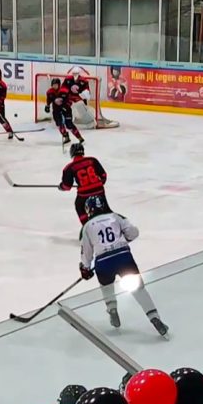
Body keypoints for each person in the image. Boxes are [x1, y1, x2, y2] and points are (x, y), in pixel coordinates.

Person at [79, 195, 168, 336]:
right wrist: (124, 239)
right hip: (123, 257)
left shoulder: (87, 227)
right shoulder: (115, 216)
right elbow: (133, 232)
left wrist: (85, 268)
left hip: (103, 262)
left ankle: (112, 309)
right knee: (138, 289)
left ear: (89, 209)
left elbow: (86, 253)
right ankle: (154, 317)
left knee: (106, 286)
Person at [60, 143, 109, 224]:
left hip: (84, 194)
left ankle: (86, 226)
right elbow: (103, 175)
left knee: (79, 206)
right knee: (105, 207)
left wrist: (61, 186)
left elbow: (67, 186)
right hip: (99, 190)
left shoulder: (69, 167)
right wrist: (98, 184)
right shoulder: (92, 160)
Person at [45, 78, 85, 146]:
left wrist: (65, 106)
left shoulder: (65, 91)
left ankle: (79, 137)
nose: (54, 86)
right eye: (53, 85)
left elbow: (70, 101)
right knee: (59, 124)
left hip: (66, 109)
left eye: (56, 85)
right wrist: (47, 106)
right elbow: (49, 100)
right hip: (56, 110)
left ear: (59, 85)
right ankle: (66, 137)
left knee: (69, 124)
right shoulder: (49, 92)